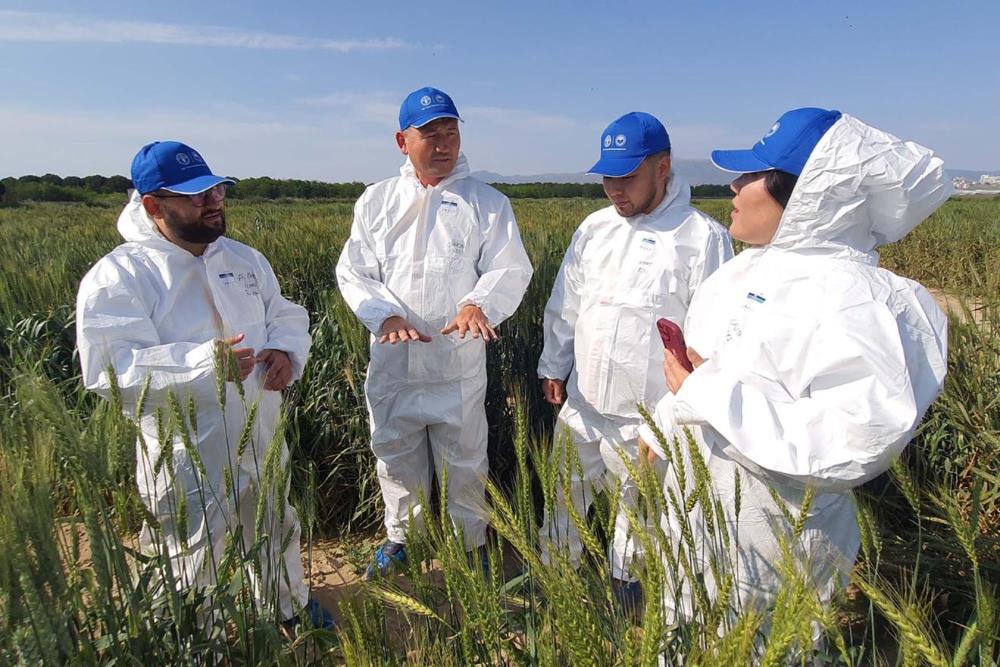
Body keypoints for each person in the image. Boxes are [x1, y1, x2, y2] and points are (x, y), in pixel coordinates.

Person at [639, 108, 951, 624]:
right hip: (696, 522)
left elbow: (856, 444)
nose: (733, 186)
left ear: (805, 194)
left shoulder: (861, 302)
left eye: (752, 175)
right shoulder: (741, 271)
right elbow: (708, 372)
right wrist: (665, 421)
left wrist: (707, 391)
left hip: (773, 549)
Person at [76, 141, 332, 630]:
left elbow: (284, 313)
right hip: (187, 450)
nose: (213, 201)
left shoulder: (244, 259)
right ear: (153, 206)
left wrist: (284, 350)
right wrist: (201, 364)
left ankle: (287, 605)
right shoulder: (120, 276)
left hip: (261, 430)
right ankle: (197, 635)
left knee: (276, 522)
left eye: (215, 189)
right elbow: (112, 366)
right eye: (195, 196)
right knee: (191, 547)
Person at [336, 87, 533, 575]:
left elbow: (510, 268)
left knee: (466, 459)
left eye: (451, 132)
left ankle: (472, 542)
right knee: (396, 455)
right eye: (430, 134)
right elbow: (354, 270)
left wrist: (477, 303)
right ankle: (404, 538)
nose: (444, 144)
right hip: (394, 365)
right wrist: (386, 315)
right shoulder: (377, 201)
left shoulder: (487, 203)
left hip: (456, 365)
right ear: (403, 141)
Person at [537, 112, 733, 603]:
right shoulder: (594, 229)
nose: (614, 189)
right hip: (583, 403)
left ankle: (626, 596)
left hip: (647, 418)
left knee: (639, 516)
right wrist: (552, 364)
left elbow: (713, 336)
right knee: (563, 498)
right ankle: (556, 581)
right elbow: (567, 303)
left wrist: (673, 419)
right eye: (607, 176)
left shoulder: (701, 238)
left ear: (662, 168)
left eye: (627, 176)